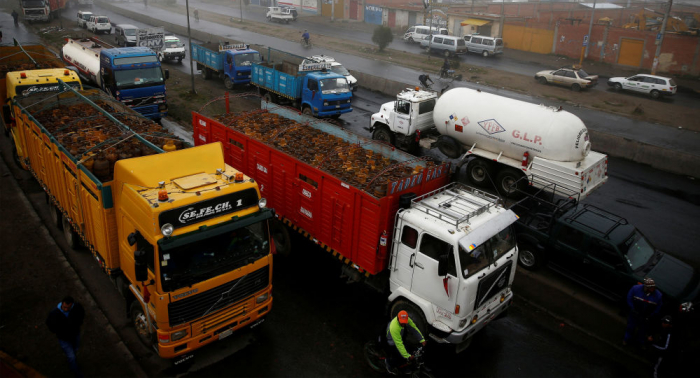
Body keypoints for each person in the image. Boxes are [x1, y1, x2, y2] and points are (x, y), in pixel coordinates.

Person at [46, 296, 85, 377]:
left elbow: (82, 314)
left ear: (72, 305)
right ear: (62, 304)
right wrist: (58, 332)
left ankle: (72, 363)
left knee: (75, 350)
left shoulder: (76, 307)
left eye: (68, 307)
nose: (66, 309)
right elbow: (49, 324)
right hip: (64, 338)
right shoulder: (54, 313)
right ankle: (76, 372)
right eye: (64, 307)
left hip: (74, 335)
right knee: (71, 356)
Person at [623, 278, 662, 347]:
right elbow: (629, 298)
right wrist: (633, 308)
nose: (652, 290)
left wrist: (651, 315)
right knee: (630, 327)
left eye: (653, 288)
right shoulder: (635, 289)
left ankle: (640, 342)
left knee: (643, 330)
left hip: (646, 315)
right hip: (635, 312)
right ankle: (626, 339)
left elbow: (658, 307)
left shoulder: (658, 295)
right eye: (650, 288)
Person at [385, 310, 426, 375]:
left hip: (400, 336)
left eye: (404, 322)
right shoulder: (394, 327)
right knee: (399, 355)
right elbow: (399, 344)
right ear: (398, 319)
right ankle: (389, 364)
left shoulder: (406, 319)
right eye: (402, 323)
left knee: (408, 350)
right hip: (392, 341)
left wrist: (422, 339)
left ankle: (404, 366)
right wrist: (407, 356)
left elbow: (414, 328)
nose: (403, 324)